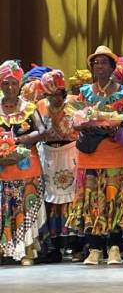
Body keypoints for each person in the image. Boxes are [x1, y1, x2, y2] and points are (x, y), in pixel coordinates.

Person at [66, 45, 123, 265]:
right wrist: (86, 121)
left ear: (113, 67)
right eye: (95, 63)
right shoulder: (83, 92)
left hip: (114, 151)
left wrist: (107, 122)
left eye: (104, 62)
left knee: (114, 198)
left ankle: (114, 246)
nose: (99, 66)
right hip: (90, 154)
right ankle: (94, 247)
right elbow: (75, 119)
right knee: (92, 200)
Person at [0, 60, 46, 265]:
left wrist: (20, 140)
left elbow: (42, 131)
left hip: (27, 166)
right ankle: (6, 249)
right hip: (2, 167)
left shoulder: (29, 107)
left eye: (13, 83)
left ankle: (27, 250)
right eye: (5, 83)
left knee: (26, 208)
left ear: (19, 85)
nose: (9, 87)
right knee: (5, 208)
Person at [36, 70, 79, 262]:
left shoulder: (74, 104)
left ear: (63, 92)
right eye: (50, 93)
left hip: (69, 152)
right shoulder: (39, 106)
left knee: (71, 197)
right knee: (51, 199)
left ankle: (74, 242)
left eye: (58, 92)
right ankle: (53, 244)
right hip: (49, 155)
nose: (55, 97)